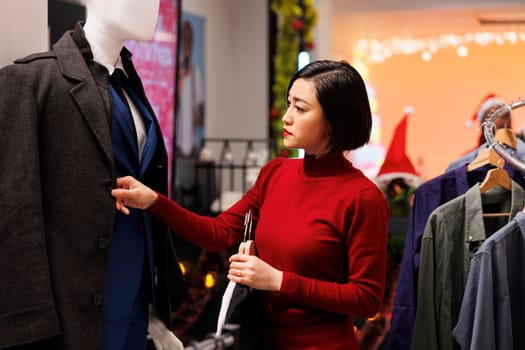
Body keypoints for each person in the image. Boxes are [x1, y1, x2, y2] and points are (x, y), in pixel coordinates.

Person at [112, 60, 390, 350]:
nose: (286, 117)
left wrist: (279, 280)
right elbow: (217, 232)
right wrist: (155, 201)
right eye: (288, 104)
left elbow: (366, 297)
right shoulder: (275, 174)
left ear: (335, 121)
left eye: (300, 108)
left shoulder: (363, 198)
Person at [0, 0, 184, 349]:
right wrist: (29, 326)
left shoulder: (131, 88)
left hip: (135, 306)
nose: (154, 6)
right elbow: (14, 217)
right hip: (72, 313)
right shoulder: (29, 82)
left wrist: (155, 303)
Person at [445, 94, 525, 172]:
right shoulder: (463, 164)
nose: (500, 121)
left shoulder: (521, 148)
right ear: (483, 124)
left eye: (505, 116)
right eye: (493, 116)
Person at [176, 20, 205, 158]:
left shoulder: (195, 72)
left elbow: (201, 107)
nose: (187, 44)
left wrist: (198, 118)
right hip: (176, 137)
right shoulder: (174, 71)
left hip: (192, 141)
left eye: (189, 40)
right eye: (184, 39)